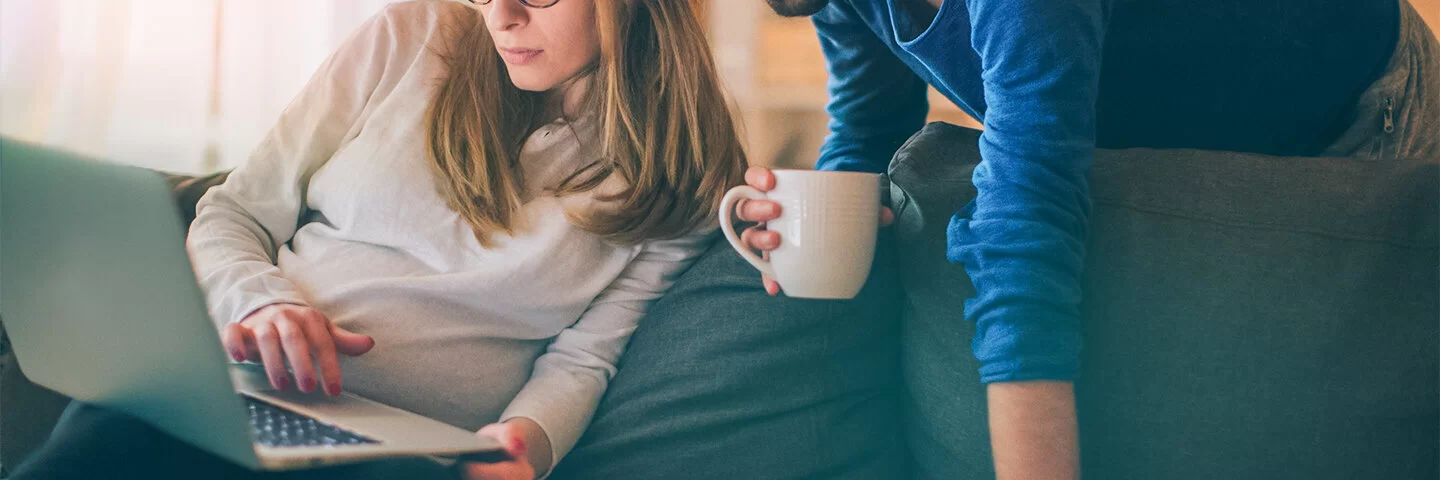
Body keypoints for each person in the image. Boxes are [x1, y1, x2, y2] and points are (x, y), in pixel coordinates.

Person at [12, 0, 746, 479]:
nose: (503, 14)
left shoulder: (688, 179)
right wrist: (262, 303)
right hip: (237, 393)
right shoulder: (413, 37)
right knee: (97, 445)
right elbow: (234, 213)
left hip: (405, 454)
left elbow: (589, 353)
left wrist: (528, 443)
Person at [739, 0, 1438, 478]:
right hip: (1154, 118)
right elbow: (868, 127)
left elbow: (1025, 222)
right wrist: (818, 238)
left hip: (1359, 102)